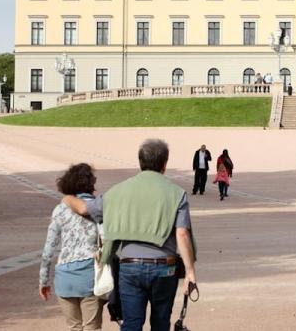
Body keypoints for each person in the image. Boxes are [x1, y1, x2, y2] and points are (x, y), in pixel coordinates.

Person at [62, 139, 197, 331]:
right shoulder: (177, 193)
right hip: (165, 268)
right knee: (160, 323)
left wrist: (66, 198)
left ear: (140, 162)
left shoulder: (118, 191)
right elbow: (182, 234)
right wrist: (190, 272)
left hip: (130, 266)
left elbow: (84, 209)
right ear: (165, 164)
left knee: (132, 324)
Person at [40, 163, 106, 331]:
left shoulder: (60, 209)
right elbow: (106, 239)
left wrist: (44, 281)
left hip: (64, 277)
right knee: (92, 327)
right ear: (91, 183)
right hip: (90, 275)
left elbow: (48, 250)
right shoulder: (98, 207)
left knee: (74, 327)